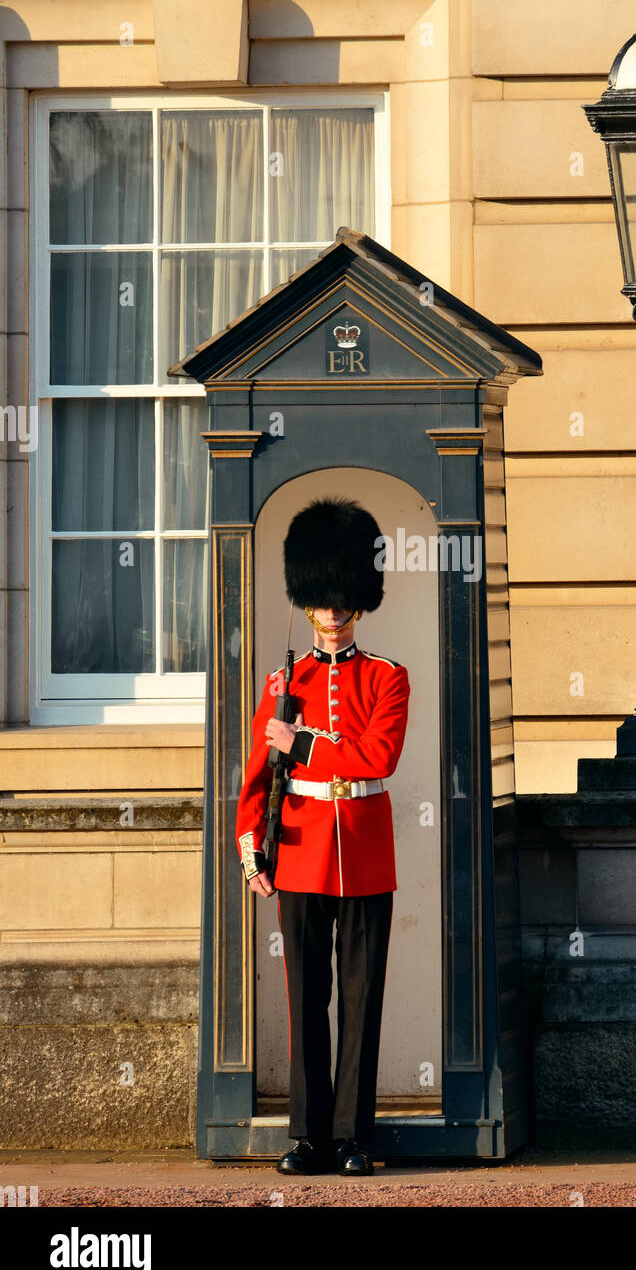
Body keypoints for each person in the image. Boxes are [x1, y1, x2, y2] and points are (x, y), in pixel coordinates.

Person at [235, 495, 410, 1177]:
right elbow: (254, 781)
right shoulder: (285, 682)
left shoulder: (387, 677)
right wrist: (254, 851)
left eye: (342, 603)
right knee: (305, 996)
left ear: (358, 604)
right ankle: (308, 1136)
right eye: (323, 602)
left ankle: (354, 1136)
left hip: (364, 852)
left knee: (361, 1000)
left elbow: (377, 759)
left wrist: (301, 742)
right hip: (301, 853)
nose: (333, 614)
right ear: (310, 603)